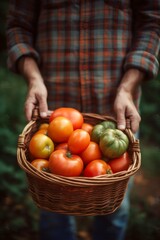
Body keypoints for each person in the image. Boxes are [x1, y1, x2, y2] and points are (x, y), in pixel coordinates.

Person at [6, 1, 160, 240]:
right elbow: (17, 26)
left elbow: (153, 22)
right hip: (51, 114)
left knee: (113, 208)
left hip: (116, 117)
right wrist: (34, 78)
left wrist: (128, 87)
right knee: (52, 209)